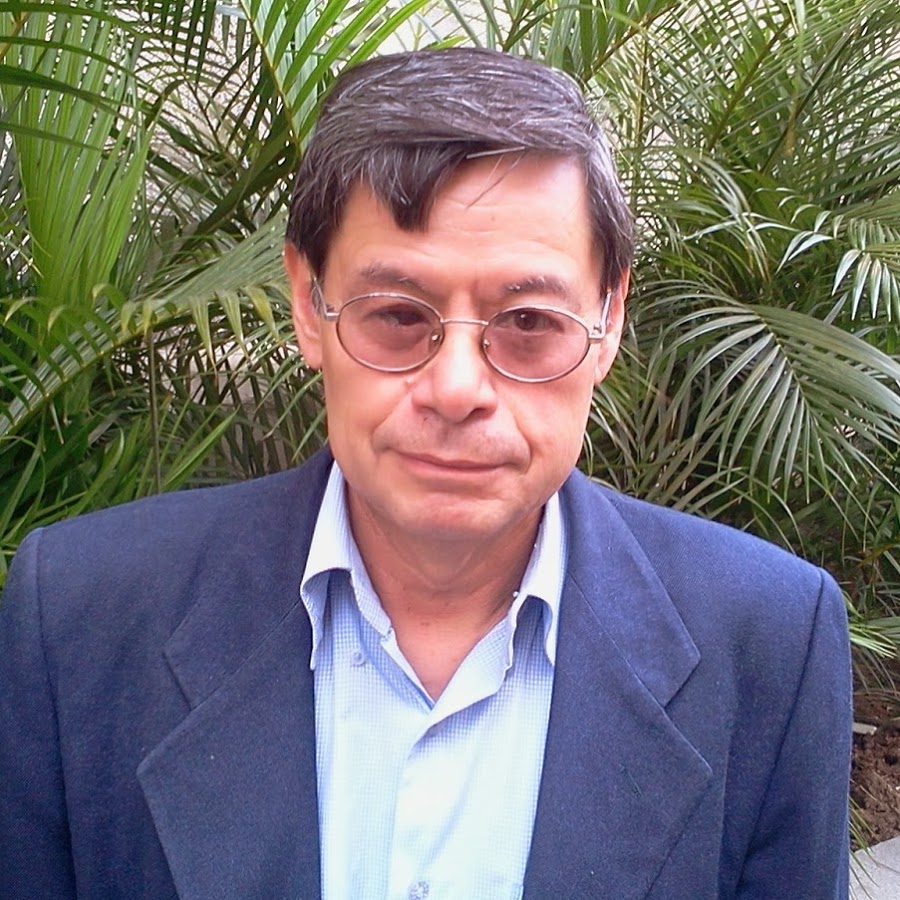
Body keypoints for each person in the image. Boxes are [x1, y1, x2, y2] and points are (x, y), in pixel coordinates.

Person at [0, 48, 851, 900]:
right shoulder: (79, 618)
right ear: (308, 305)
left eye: (529, 322)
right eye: (399, 316)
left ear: (608, 319)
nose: (456, 389)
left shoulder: (770, 643)